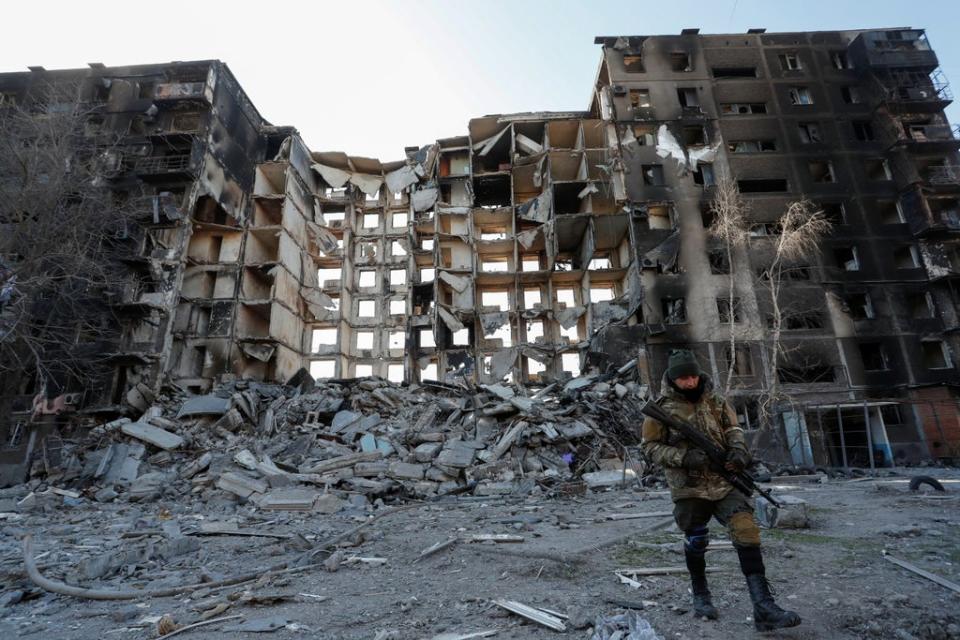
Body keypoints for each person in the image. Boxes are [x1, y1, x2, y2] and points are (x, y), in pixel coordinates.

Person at [641, 349, 801, 631]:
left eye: (692, 376)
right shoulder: (661, 409)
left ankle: (763, 606)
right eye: (683, 378)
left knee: (746, 529)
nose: (689, 382)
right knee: (696, 539)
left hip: (724, 481)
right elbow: (650, 448)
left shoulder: (715, 400)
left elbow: (733, 430)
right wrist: (683, 457)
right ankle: (701, 595)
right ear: (673, 378)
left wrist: (739, 451)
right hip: (689, 488)